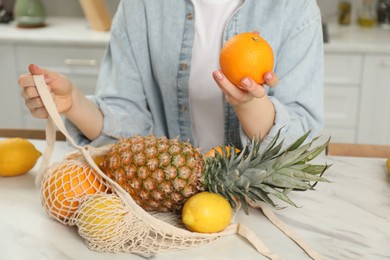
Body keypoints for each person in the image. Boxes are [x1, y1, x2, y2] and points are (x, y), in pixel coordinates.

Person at [18, 0, 324, 153]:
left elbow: (306, 142)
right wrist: (73, 104)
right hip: (165, 205)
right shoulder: (142, 6)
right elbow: (130, 121)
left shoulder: (294, 8)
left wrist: (249, 105)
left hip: (258, 210)